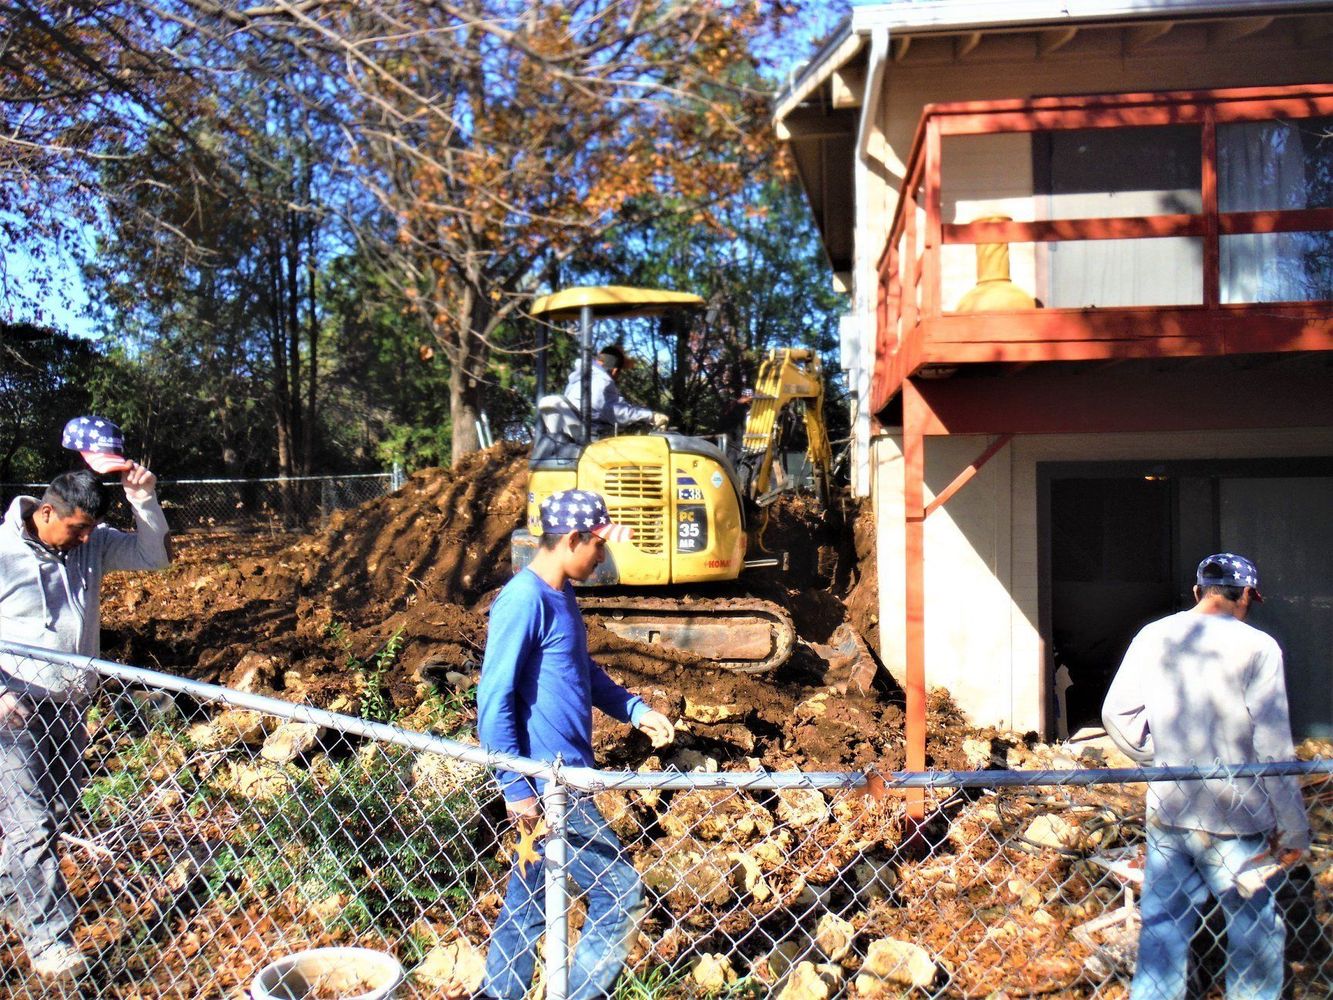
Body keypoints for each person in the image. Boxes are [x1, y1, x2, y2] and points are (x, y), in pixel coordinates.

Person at [476, 489, 673, 1000]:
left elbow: (580, 670)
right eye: (599, 545)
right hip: (548, 788)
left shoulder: (561, 595)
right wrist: (514, 786)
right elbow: (493, 701)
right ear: (571, 539)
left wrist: (634, 709)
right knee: (622, 896)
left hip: (564, 784)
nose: (603, 556)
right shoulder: (523, 600)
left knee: (528, 907)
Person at [0, 418, 171, 979]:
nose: (83, 539)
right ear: (45, 512)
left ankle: (15, 897)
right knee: (31, 829)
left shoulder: (90, 542)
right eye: (75, 529)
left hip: (71, 703)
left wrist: (143, 500)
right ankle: (50, 941)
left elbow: (154, 557)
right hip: (15, 708)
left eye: (89, 530)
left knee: (51, 817)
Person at [1103, 553, 1309, 1000]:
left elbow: (1116, 714)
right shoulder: (1259, 647)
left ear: (1198, 591)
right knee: (1254, 932)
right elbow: (1272, 745)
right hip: (1239, 816)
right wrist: (1293, 825)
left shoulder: (1153, 636)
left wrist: (1163, 757)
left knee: (1163, 932)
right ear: (1249, 596)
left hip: (1171, 811)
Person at [565, 344, 669, 438]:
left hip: (573, 437)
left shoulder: (578, 379)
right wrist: (650, 416)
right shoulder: (601, 380)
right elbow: (615, 412)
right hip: (590, 440)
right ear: (615, 371)